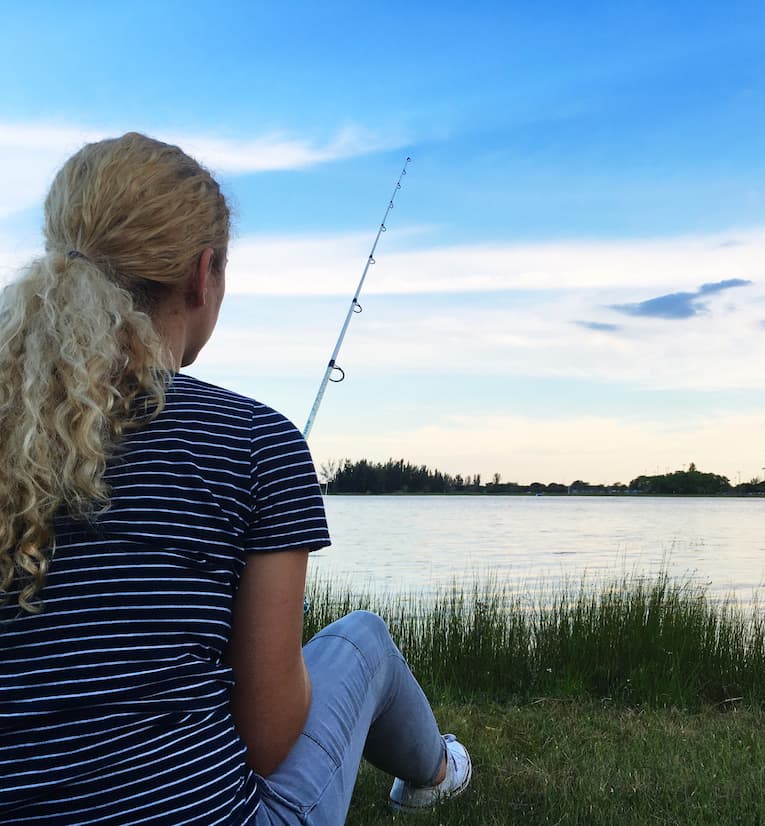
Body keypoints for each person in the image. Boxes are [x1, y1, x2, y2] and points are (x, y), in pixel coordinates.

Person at [0, 132, 470, 825]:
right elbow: (271, 739)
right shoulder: (256, 440)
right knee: (364, 639)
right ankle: (436, 773)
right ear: (203, 273)